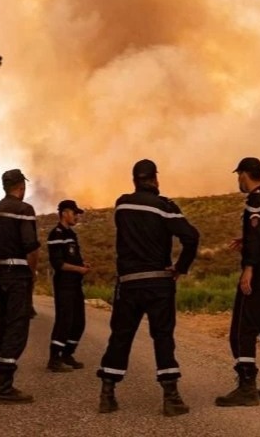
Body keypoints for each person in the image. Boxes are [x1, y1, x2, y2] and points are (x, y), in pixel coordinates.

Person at [96, 159, 200, 417]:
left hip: (129, 283)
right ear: (155, 179)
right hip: (158, 282)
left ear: (134, 181)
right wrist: (180, 267)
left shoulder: (122, 204)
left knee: (120, 336)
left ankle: (107, 395)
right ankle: (171, 397)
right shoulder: (165, 207)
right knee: (163, 337)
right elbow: (191, 236)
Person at [215, 157, 260, 407]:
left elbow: (258, 236)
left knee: (242, 327)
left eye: (239, 175)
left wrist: (248, 268)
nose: (238, 180)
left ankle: (247, 386)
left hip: (259, 273)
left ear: (245, 174)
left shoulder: (255, 201)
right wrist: (248, 241)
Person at [0, 169, 40, 404]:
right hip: (18, 274)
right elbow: (31, 246)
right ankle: (4, 389)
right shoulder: (24, 210)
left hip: (1, 274)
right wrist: (32, 273)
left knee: (4, 326)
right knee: (17, 327)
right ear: (21, 186)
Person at [46, 199, 90, 372]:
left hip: (75, 284)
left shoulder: (71, 234)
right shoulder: (55, 234)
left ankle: (67, 354)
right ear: (64, 213)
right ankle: (54, 358)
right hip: (64, 284)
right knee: (64, 320)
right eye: (74, 213)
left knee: (79, 321)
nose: (77, 216)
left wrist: (83, 265)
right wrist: (79, 269)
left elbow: (74, 257)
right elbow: (58, 264)